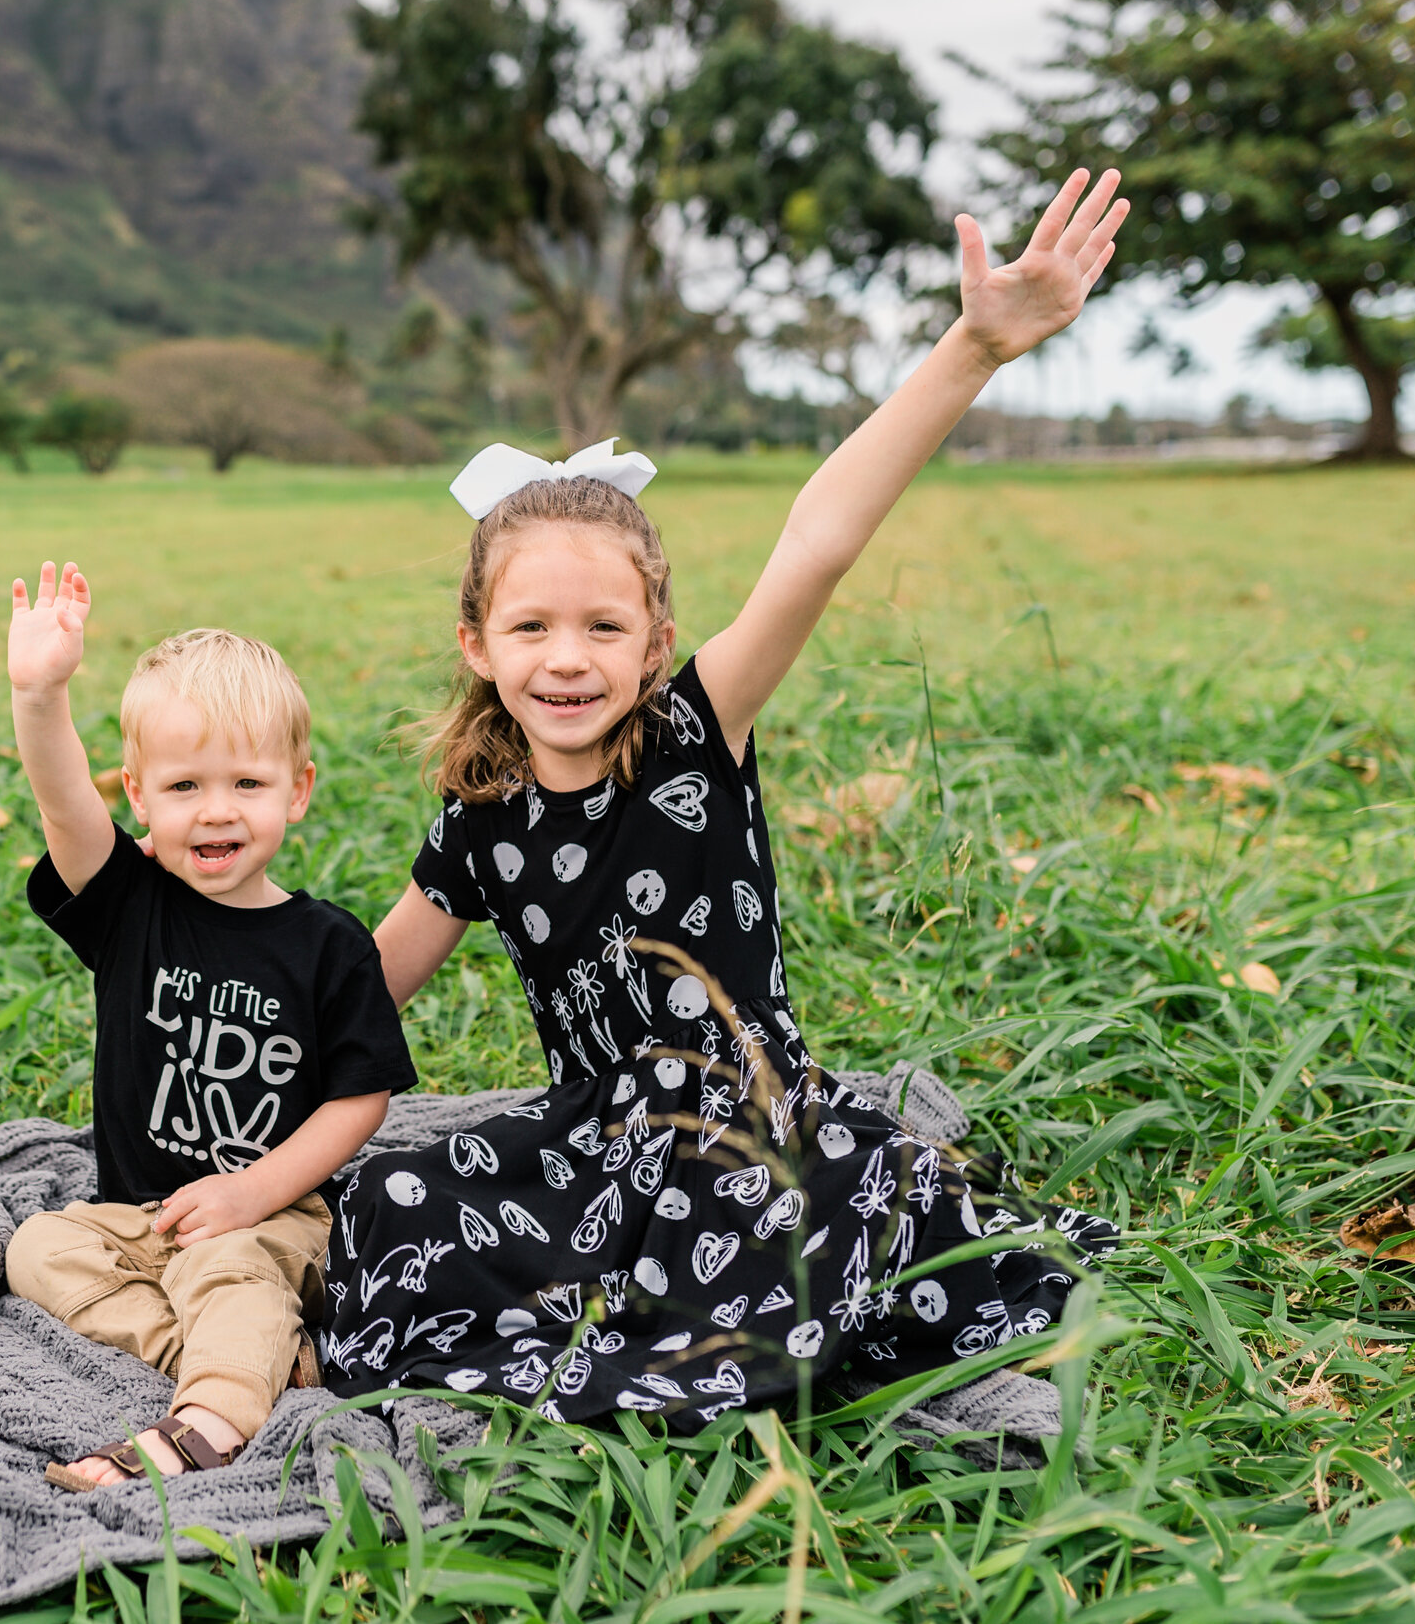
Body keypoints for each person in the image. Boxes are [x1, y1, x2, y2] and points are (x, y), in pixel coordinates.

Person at [316, 169, 1132, 1423]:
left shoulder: (694, 731)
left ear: (655, 642)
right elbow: (366, 989)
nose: (568, 657)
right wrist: (232, 1073)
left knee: (740, 1319)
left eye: (603, 624)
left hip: (748, 1133)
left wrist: (972, 345)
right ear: (477, 642)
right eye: (531, 625)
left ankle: (718, 1338)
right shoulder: (480, 813)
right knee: (388, 1204)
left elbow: (818, 537)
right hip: (594, 1140)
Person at [5, 574, 419, 1488]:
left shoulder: (328, 944)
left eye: (247, 781)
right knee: (35, 1248)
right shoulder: (130, 906)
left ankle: (203, 1427)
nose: (218, 807)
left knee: (231, 1266)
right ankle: (273, 1362)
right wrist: (40, 693)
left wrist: (252, 1189)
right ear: (140, 798)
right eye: (185, 784)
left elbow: (363, 1096)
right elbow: (65, 803)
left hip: (274, 1214)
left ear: (297, 791)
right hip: (138, 1214)